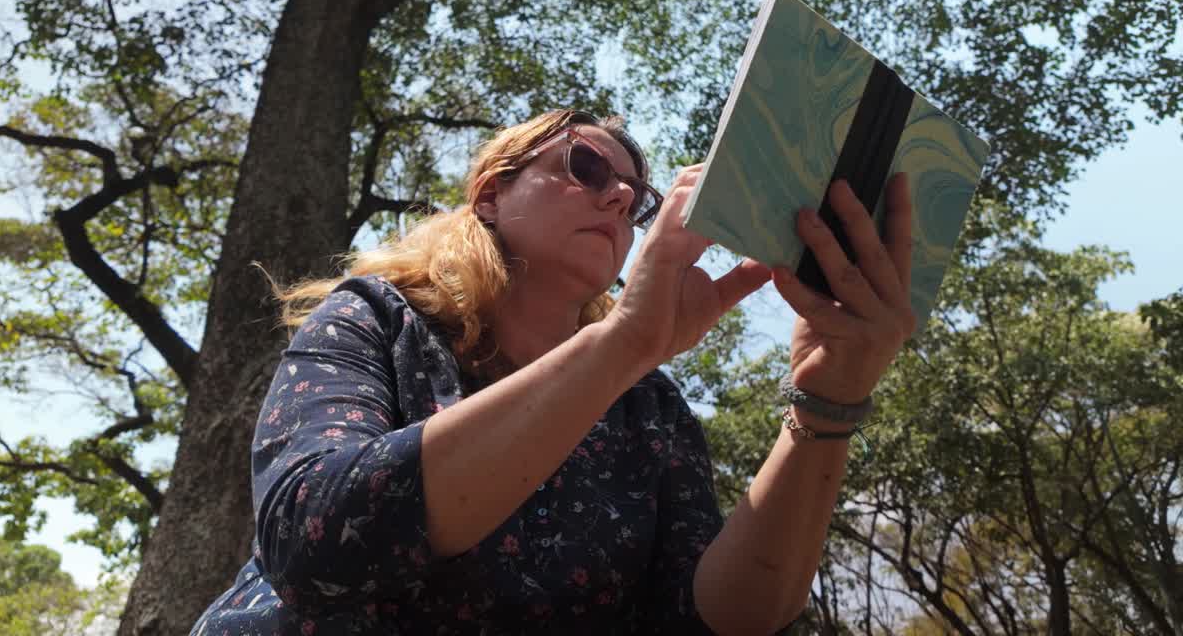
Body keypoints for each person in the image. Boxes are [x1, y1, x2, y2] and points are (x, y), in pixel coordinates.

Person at [190, 109, 916, 635]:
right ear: (491, 194)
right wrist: (624, 344)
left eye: (639, 198)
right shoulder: (378, 317)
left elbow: (709, 620)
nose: (622, 197)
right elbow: (313, 542)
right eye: (587, 167)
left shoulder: (650, 407)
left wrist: (824, 404)